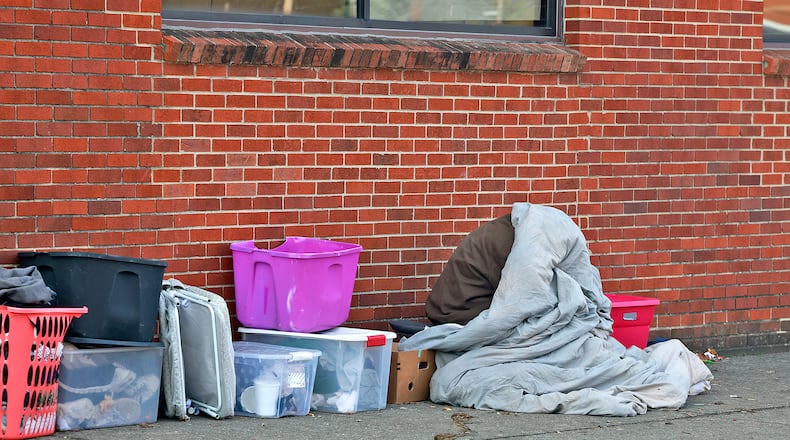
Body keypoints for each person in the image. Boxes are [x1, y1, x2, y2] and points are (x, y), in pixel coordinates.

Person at [425, 214, 515, 325]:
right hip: (458, 314)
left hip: (446, 308)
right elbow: (519, 295)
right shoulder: (510, 237)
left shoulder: (502, 228)